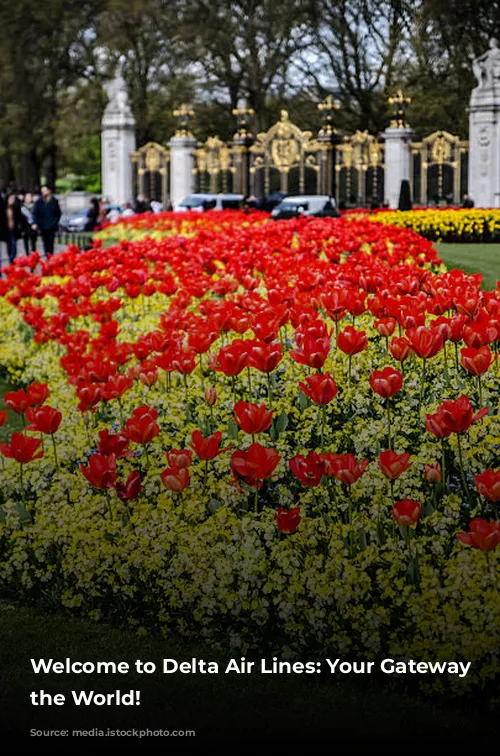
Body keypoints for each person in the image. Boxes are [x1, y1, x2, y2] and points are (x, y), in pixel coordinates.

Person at [32, 185, 61, 257]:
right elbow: (35, 213)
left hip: (52, 226)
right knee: (45, 243)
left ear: (49, 191)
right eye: (42, 191)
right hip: (43, 226)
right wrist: (35, 223)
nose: (43, 192)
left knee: (51, 243)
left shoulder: (54, 201)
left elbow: (58, 213)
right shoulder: (39, 202)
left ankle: (50, 256)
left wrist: (55, 222)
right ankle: (47, 255)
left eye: (44, 190)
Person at [5, 193, 23, 264]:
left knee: (14, 244)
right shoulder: (4, 209)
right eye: (10, 199)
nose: (11, 200)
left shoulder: (16, 208)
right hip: (6, 230)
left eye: (13, 199)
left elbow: (19, 219)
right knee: (8, 246)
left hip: (14, 229)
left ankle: (13, 259)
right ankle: (10, 258)